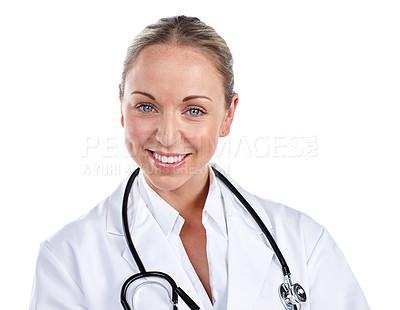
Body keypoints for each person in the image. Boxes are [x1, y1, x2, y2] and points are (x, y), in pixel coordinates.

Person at [30, 16, 370, 310]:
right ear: (121, 106)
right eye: (146, 107)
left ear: (228, 115)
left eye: (194, 110)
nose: (166, 135)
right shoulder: (67, 259)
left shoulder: (302, 243)